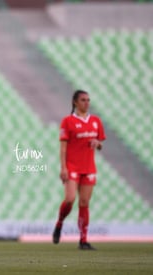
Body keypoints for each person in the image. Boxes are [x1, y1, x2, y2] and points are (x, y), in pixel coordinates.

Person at [52, 90, 106, 250]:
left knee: (84, 203)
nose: (87, 102)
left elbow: (100, 143)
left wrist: (98, 144)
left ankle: (83, 240)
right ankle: (60, 222)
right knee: (69, 199)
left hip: (89, 167)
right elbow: (63, 148)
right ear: (75, 102)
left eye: (88, 100)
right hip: (72, 166)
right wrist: (63, 168)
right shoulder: (68, 121)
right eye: (83, 100)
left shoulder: (95, 121)